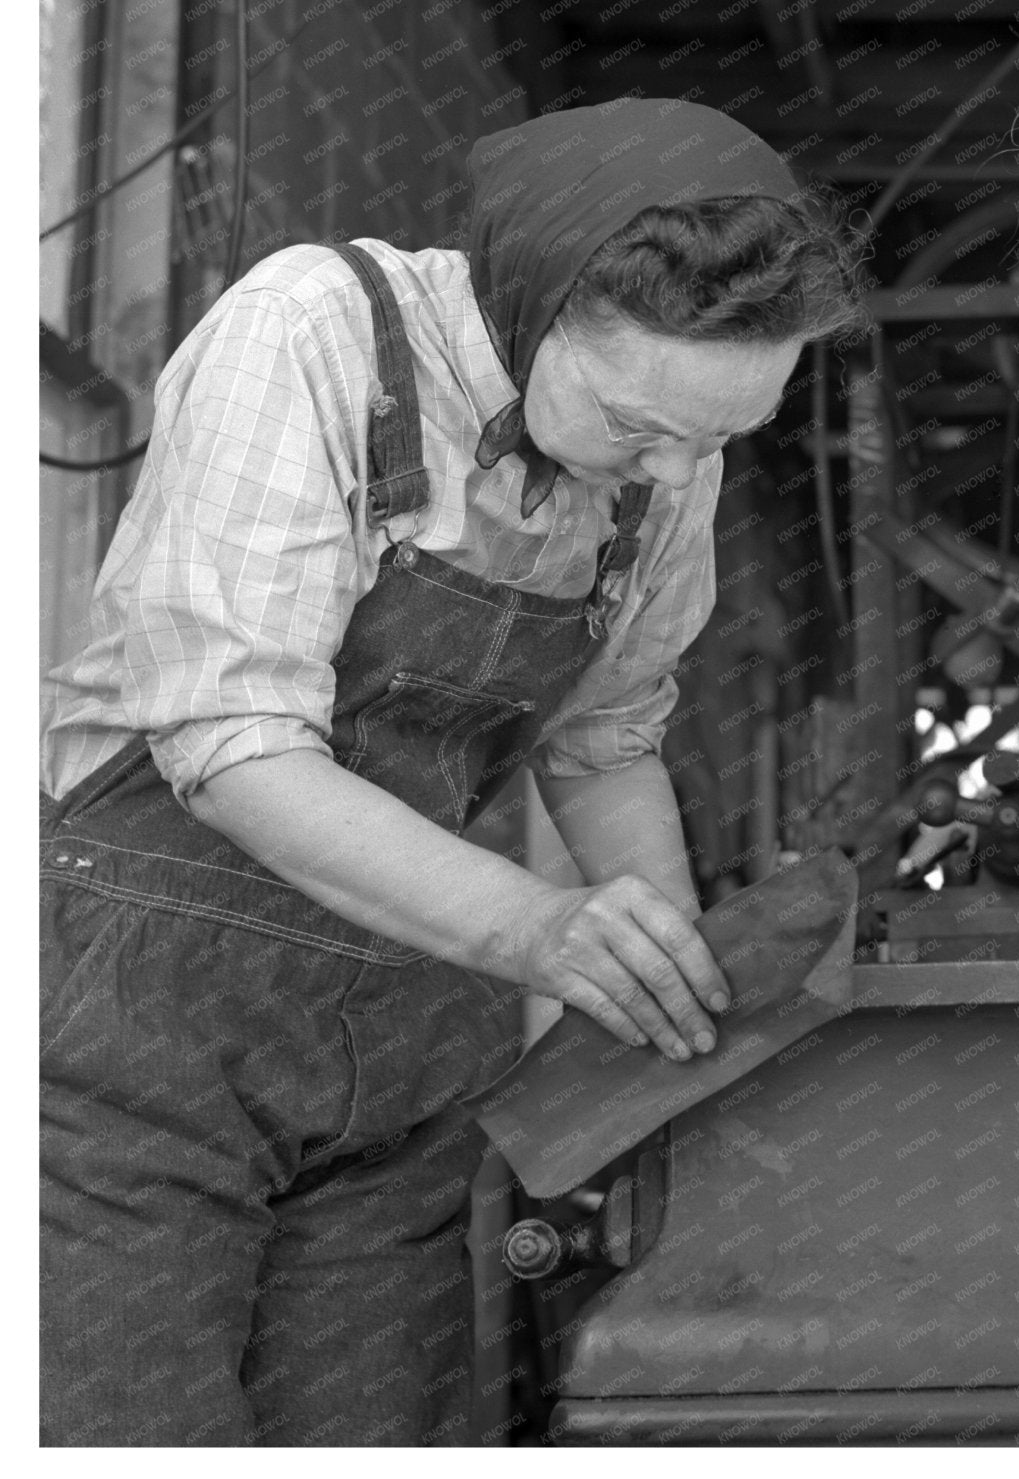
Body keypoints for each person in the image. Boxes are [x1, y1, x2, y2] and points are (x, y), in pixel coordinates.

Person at [40, 97, 868, 1445]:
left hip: (401, 1043)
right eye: (639, 423)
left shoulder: (670, 458)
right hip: (138, 1013)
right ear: (535, 302)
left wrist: (665, 996)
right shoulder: (314, 332)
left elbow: (602, 737)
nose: (678, 467)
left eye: (724, 435)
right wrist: (544, 931)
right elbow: (229, 744)